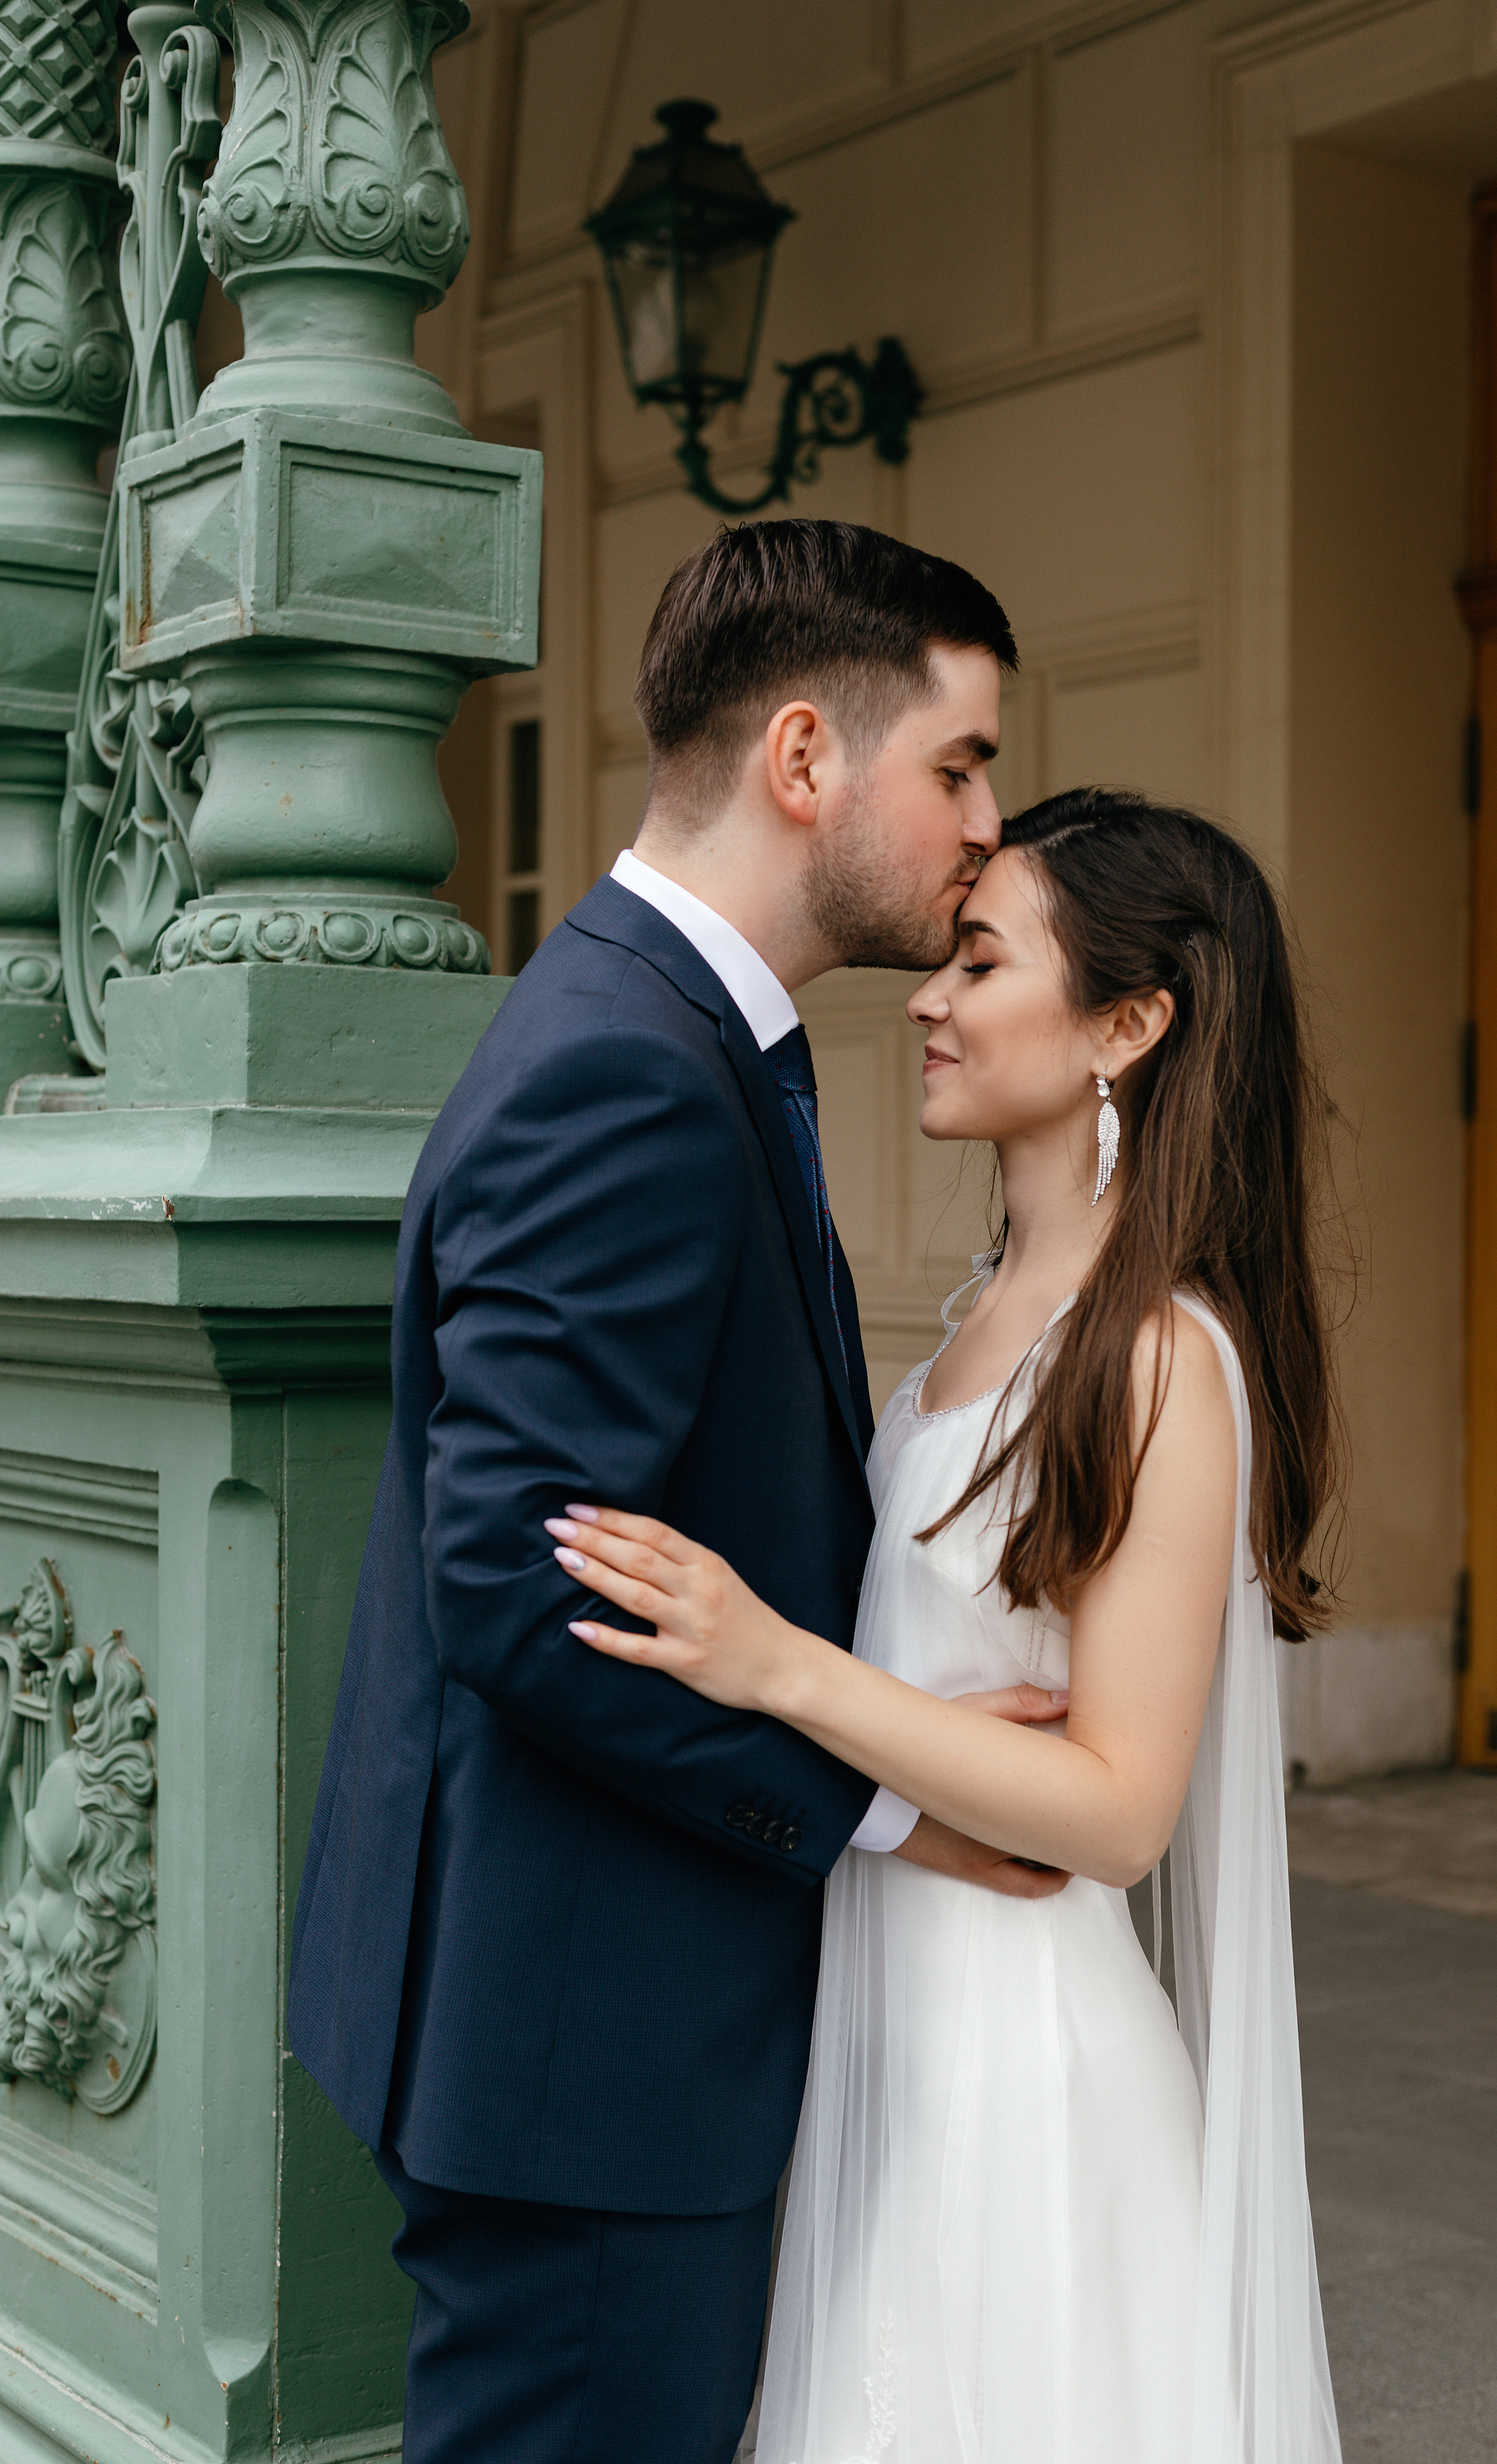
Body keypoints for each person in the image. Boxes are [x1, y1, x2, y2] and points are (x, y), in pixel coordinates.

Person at [286, 519, 1075, 2464]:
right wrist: (895, 1800)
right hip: (594, 2054)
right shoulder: (631, 1067)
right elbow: (523, 1584)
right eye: (959, 766)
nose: (987, 821)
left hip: (589, 2028)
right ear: (808, 758)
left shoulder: (670, 1029)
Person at [552, 787, 1347, 2463]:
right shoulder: (986, 1310)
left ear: (1128, 1024)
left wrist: (773, 1662)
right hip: (887, 2025)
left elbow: (1123, 1809)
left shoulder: (1157, 1361)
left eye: (982, 961)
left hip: (1021, 2083)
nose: (927, 992)